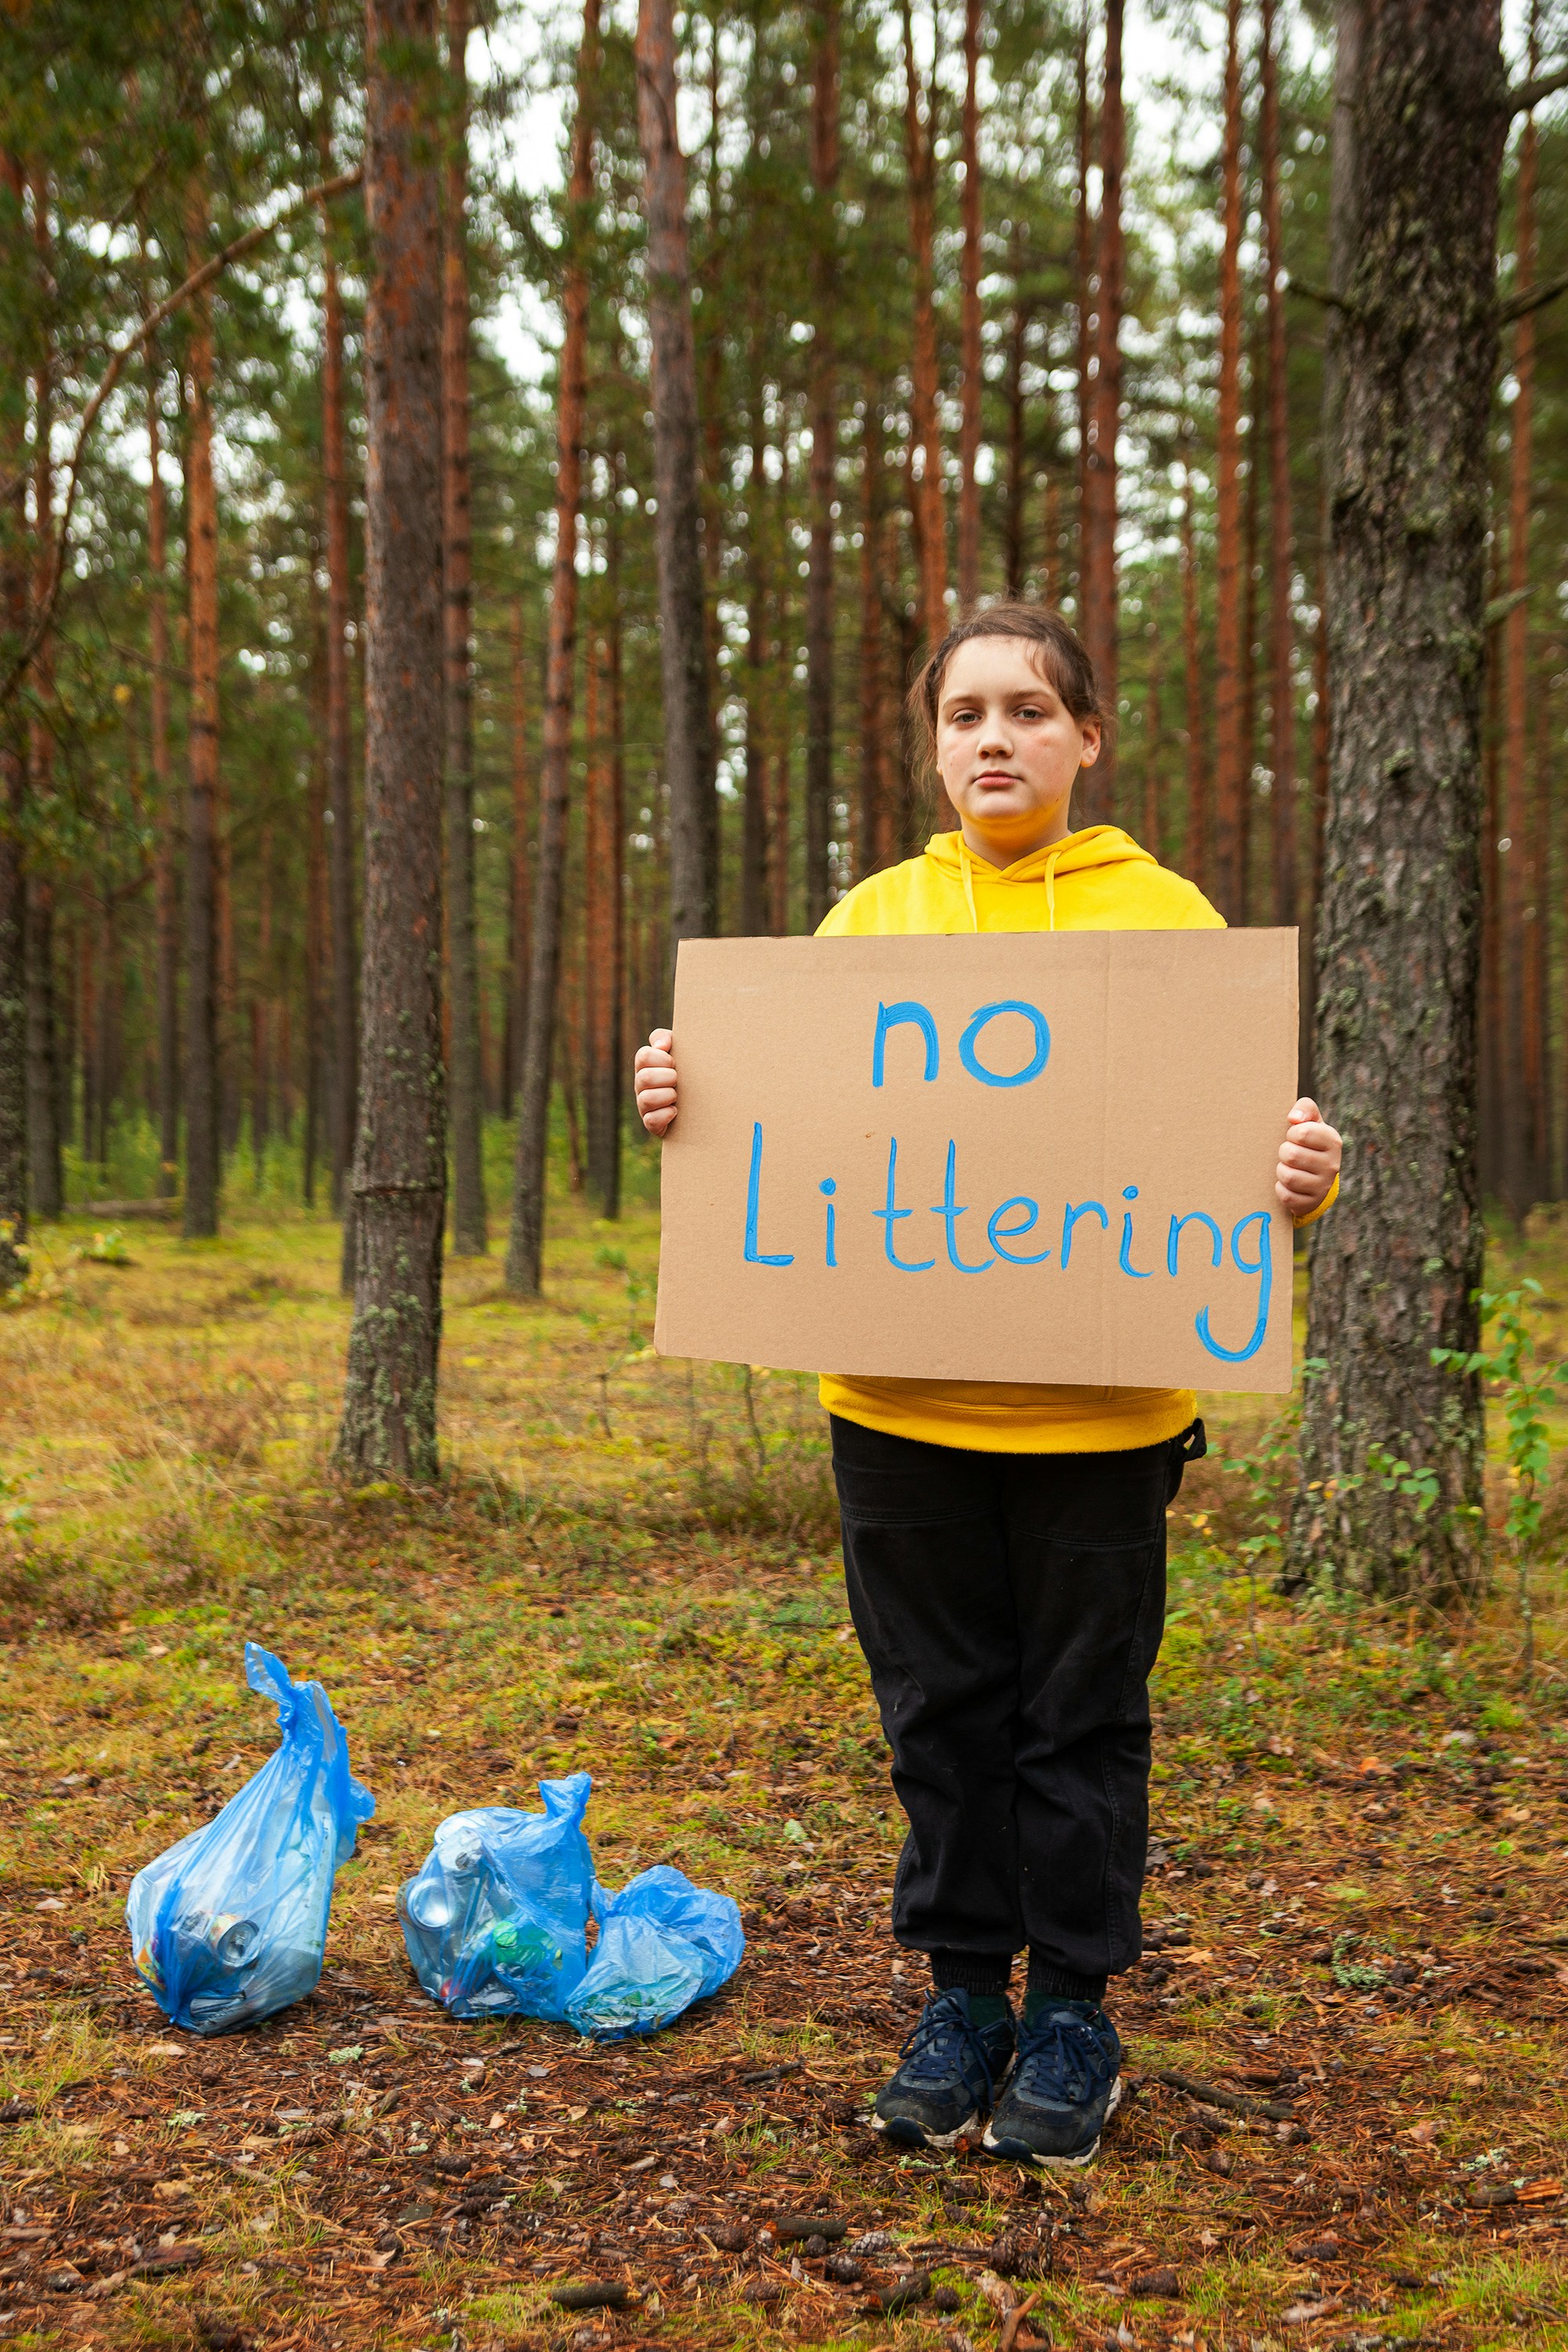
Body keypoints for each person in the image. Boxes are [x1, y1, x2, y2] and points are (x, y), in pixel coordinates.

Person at [633, 602, 1341, 2168]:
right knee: (939, 1717)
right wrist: (688, 1101)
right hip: (894, 1414)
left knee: (1077, 1721)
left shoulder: (1168, 924)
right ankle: (962, 1999)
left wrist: (1300, 1178)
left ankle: (1075, 2007)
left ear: (1087, 736)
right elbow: (779, 1130)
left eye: (1029, 710)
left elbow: (1239, 1153)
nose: (996, 740)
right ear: (933, 743)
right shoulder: (866, 926)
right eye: (966, 715)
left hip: (1104, 1422)